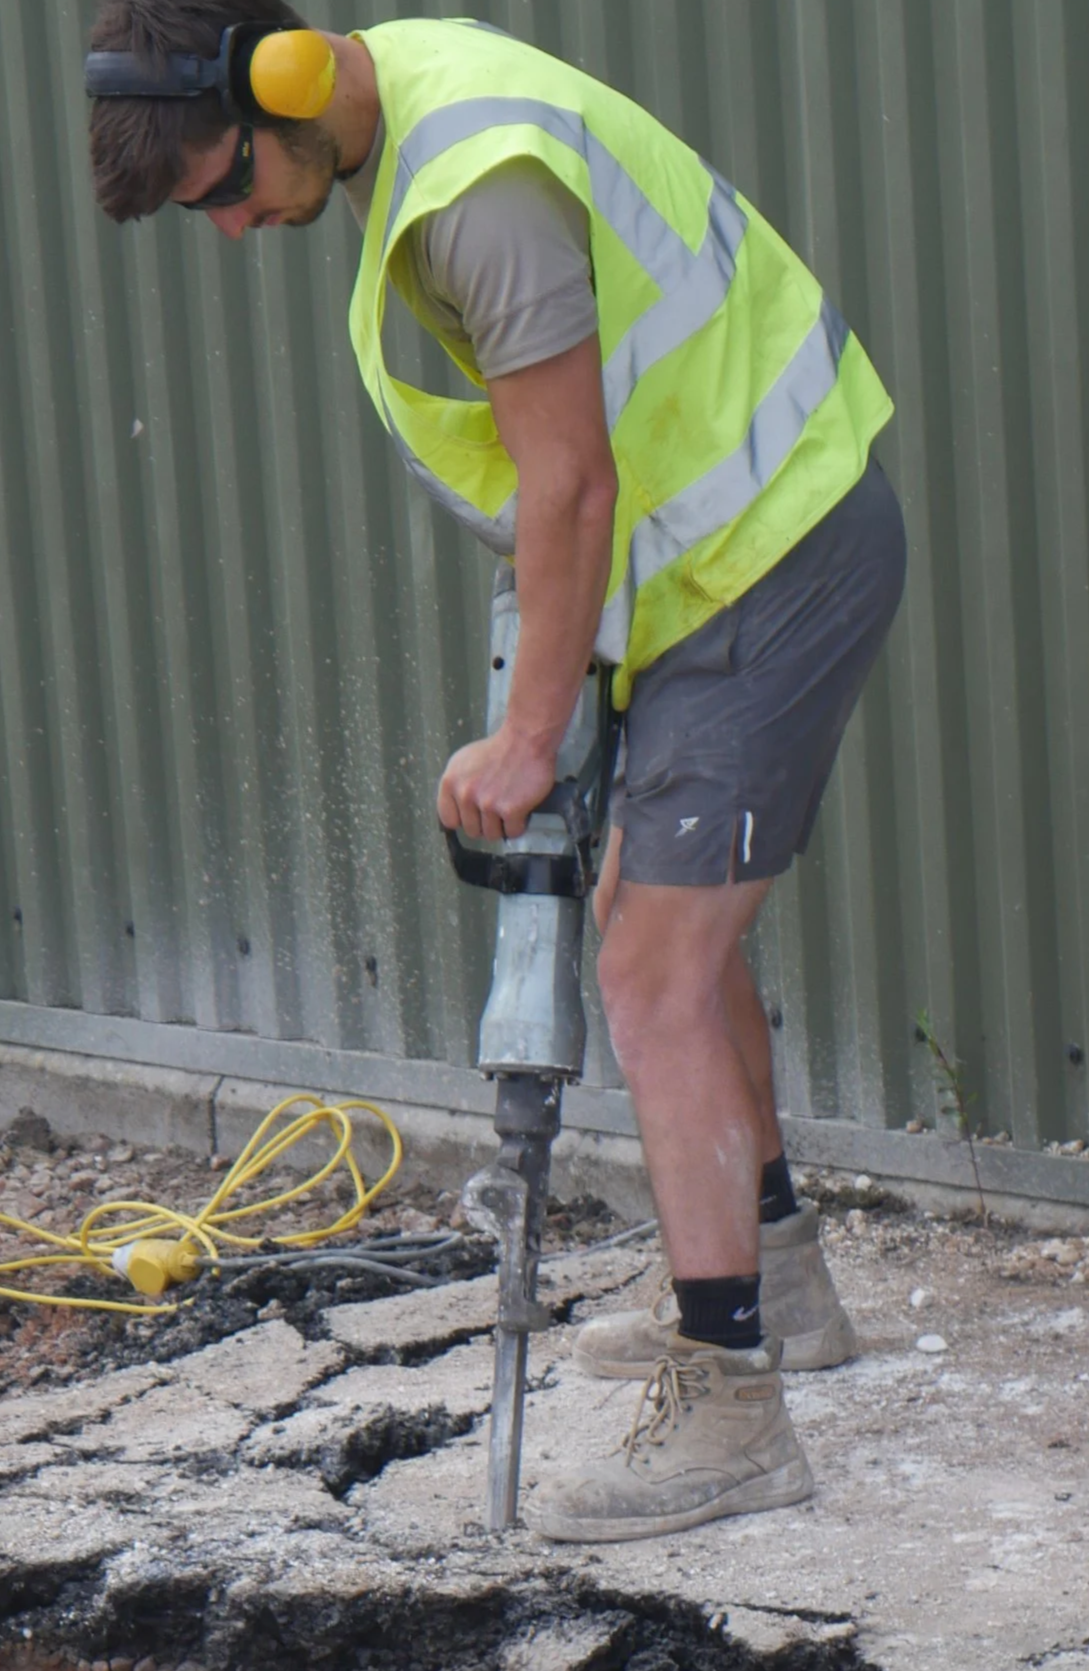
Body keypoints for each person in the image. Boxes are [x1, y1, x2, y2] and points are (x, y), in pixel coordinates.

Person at [87, 2, 907, 1543]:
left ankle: (732, 1404)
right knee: (649, 914)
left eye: (220, 189)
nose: (232, 230)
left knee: (652, 973)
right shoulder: (416, 112)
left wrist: (530, 739)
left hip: (772, 552)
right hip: (723, 555)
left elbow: (574, 479)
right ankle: (782, 1284)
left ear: (277, 87)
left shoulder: (474, 191)